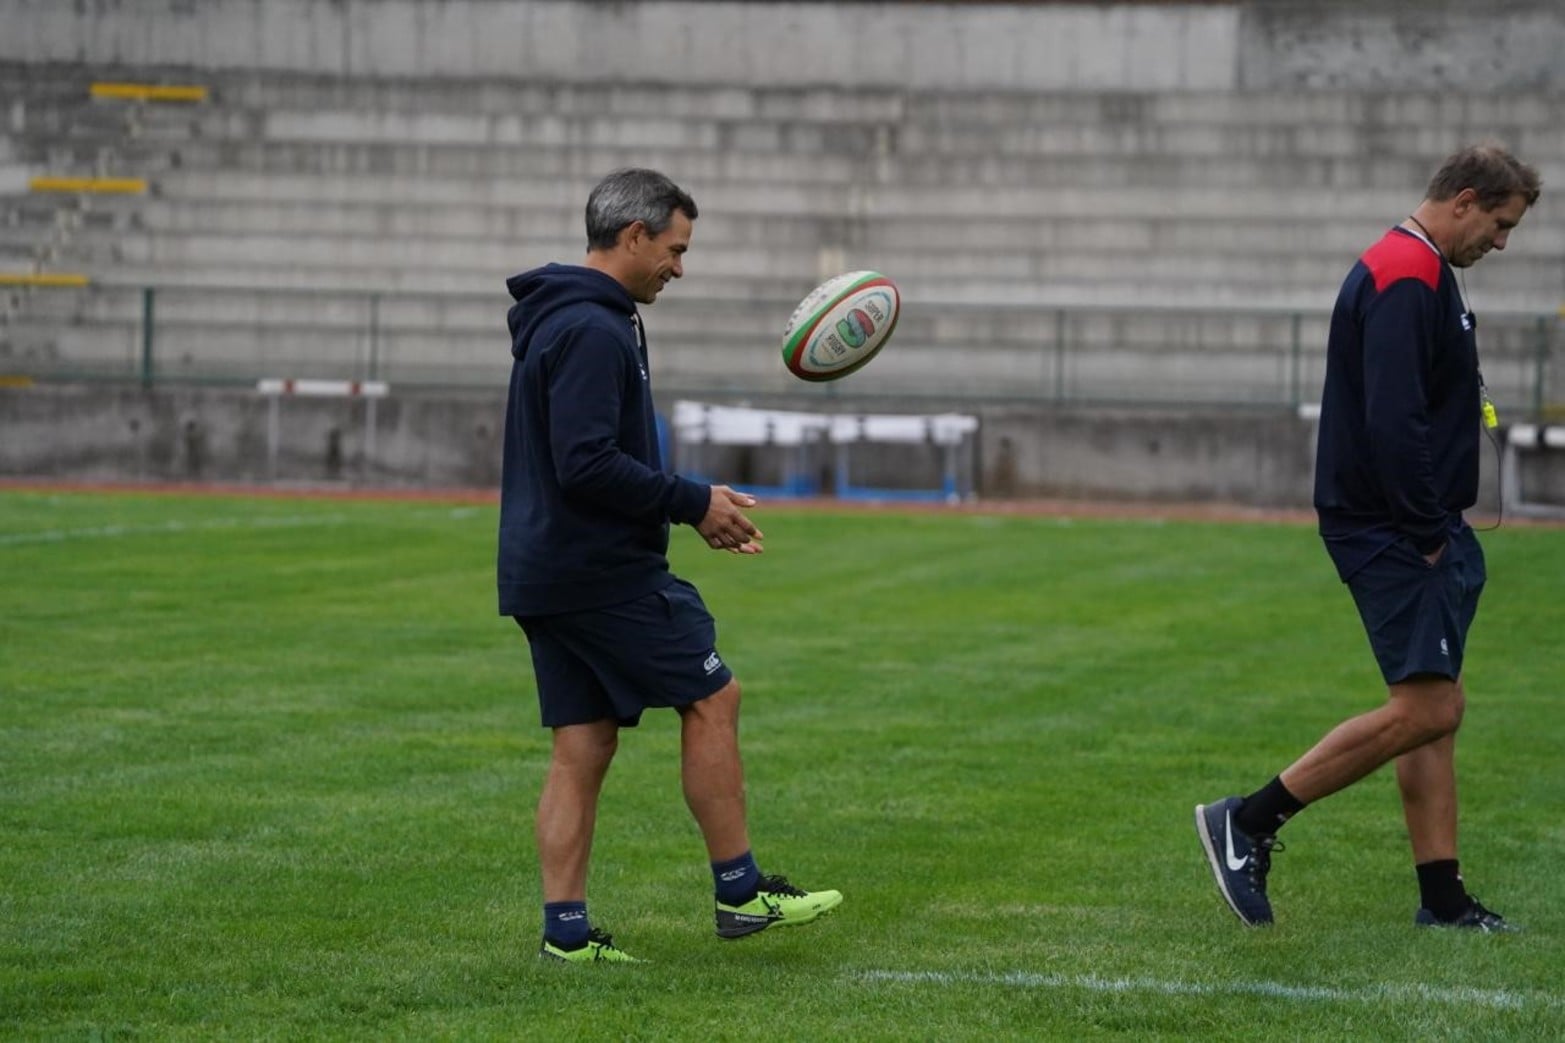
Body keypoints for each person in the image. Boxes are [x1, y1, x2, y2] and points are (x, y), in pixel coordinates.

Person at [499, 167, 842, 963]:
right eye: (675, 250)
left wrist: (685, 503)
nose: (678, 268)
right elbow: (586, 462)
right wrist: (693, 502)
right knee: (714, 694)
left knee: (582, 745)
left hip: (546, 570)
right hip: (599, 572)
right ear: (633, 235)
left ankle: (566, 935)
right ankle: (741, 892)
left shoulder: (572, 315)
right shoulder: (591, 328)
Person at [1196, 144, 1541, 931]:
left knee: (1436, 704)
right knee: (1426, 707)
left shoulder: (1420, 269)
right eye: (1498, 223)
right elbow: (1392, 418)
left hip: (1412, 523)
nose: (1500, 241)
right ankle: (1246, 820)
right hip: (1393, 527)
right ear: (1462, 199)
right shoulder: (1404, 272)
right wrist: (1425, 531)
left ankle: (1442, 900)